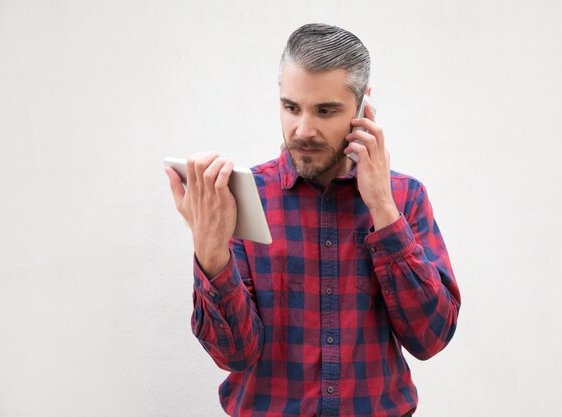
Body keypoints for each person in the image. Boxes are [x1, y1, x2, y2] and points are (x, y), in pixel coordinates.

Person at [165, 23, 461, 417]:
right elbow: (233, 353)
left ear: (362, 109)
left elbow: (431, 338)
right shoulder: (241, 200)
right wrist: (210, 250)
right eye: (291, 107)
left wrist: (384, 212)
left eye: (325, 110)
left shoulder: (404, 197)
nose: (302, 130)